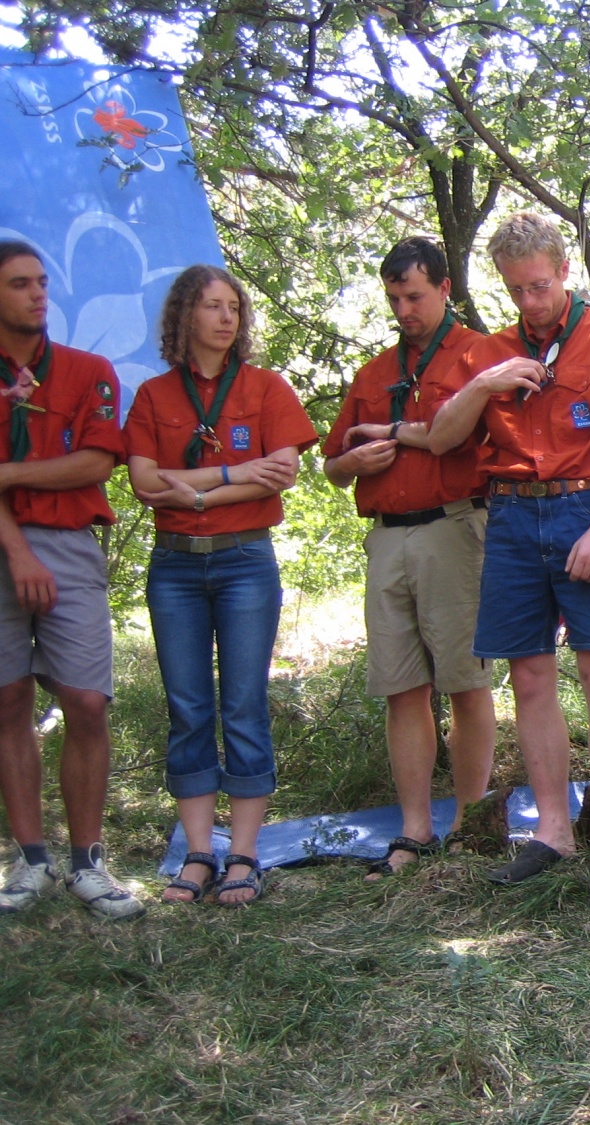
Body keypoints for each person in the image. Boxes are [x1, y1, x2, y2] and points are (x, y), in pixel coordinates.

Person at [428, 213, 590, 908]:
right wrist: (483, 385)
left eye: (540, 286)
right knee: (528, 676)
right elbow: (441, 438)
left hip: (587, 508)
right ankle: (552, 830)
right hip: (513, 514)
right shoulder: (489, 352)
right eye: (515, 289)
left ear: (563, 270)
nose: (530, 301)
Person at [123, 265, 317, 906]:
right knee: (188, 708)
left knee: (243, 704)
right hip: (175, 567)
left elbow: (282, 471)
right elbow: (144, 483)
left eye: (234, 306)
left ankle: (244, 856)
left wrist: (195, 490)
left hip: (244, 562)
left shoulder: (265, 387)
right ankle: (198, 854)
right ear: (185, 316)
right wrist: (235, 473)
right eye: (212, 305)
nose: (227, 317)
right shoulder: (155, 396)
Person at [322, 237, 496, 880]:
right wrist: (351, 461)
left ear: (445, 288)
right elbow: (332, 467)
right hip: (386, 536)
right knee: (401, 687)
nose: (404, 311)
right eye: (394, 299)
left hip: (454, 529)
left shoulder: (480, 356)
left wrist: (407, 436)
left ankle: (471, 823)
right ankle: (415, 829)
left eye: (415, 296)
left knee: (465, 682)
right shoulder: (374, 372)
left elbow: (476, 441)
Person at [0, 239, 144, 921]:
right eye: (19, 284)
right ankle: (30, 859)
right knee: (8, 700)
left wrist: (9, 473)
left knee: (86, 701)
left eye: (41, 282)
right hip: (4, 544)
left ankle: (89, 861)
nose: (37, 294)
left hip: (69, 543)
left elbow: (95, 462)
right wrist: (17, 553)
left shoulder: (89, 371)